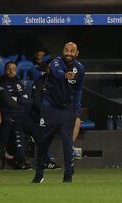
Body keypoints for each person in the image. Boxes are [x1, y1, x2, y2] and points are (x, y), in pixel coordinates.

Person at [31, 42, 85, 183]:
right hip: (50, 109)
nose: (69, 53)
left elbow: (79, 89)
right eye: (66, 50)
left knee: (67, 142)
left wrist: (77, 108)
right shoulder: (56, 62)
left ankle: (68, 177)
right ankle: (39, 174)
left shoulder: (80, 68)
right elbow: (57, 72)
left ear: (77, 53)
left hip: (67, 111)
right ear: (63, 51)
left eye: (72, 51)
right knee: (43, 142)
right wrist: (65, 75)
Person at [0, 61, 32, 169]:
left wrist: (19, 100)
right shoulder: (2, 83)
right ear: (5, 70)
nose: (12, 71)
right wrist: (21, 100)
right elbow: (9, 102)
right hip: (7, 114)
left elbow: (29, 101)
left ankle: (44, 158)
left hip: (20, 114)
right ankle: (19, 159)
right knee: (15, 127)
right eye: (9, 69)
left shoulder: (18, 83)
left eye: (14, 69)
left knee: (37, 128)